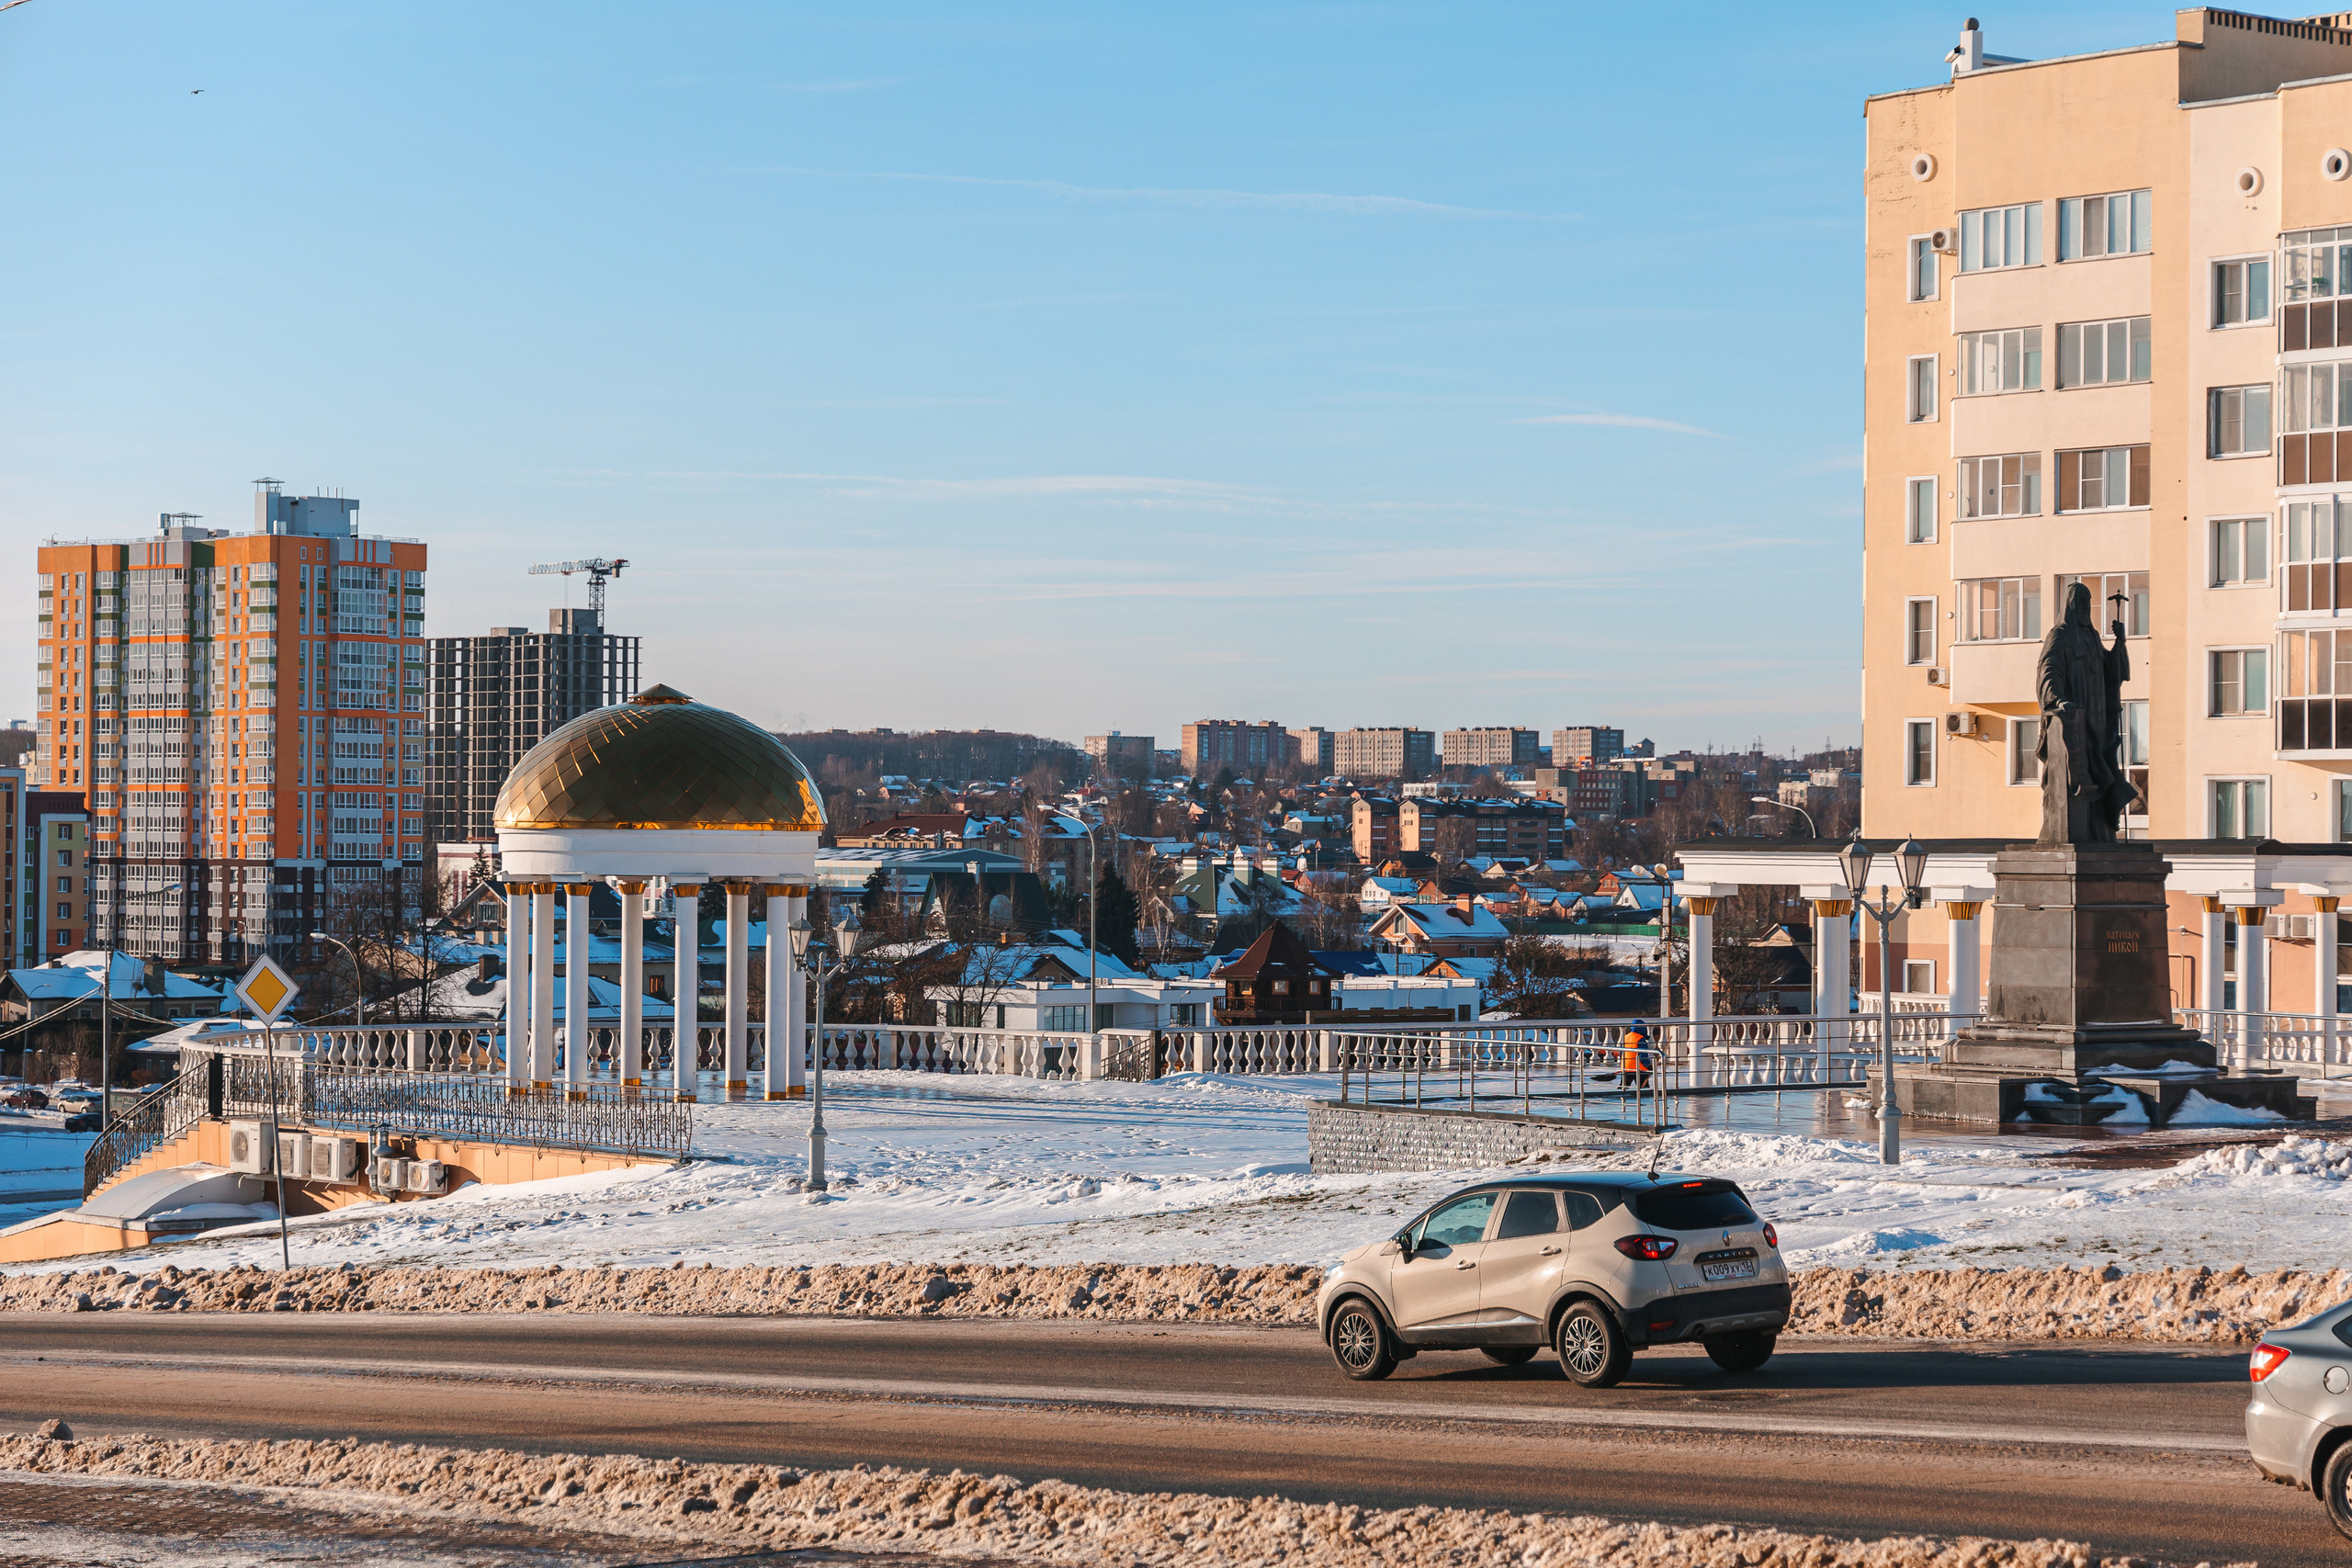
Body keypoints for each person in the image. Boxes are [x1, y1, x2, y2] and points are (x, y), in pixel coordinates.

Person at [1620, 1019, 1655, 1089]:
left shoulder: (1625, 1037)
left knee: (1623, 1088)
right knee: (1644, 1089)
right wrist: (1648, 1066)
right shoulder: (1640, 1039)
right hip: (1639, 1068)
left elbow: (1621, 1054)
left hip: (1626, 1067)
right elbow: (1643, 1055)